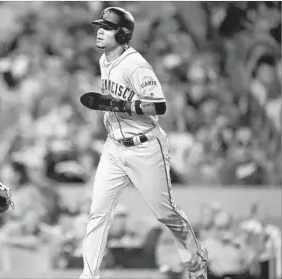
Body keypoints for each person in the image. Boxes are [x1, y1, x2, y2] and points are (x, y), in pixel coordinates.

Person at [80, 7, 209, 279]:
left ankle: (196, 264)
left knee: (166, 214)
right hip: (114, 147)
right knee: (98, 213)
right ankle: (89, 275)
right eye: (99, 26)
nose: (100, 31)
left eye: (107, 27)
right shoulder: (105, 59)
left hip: (145, 147)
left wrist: (123, 105)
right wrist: (111, 105)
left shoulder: (135, 65)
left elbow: (160, 106)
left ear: (123, 33)